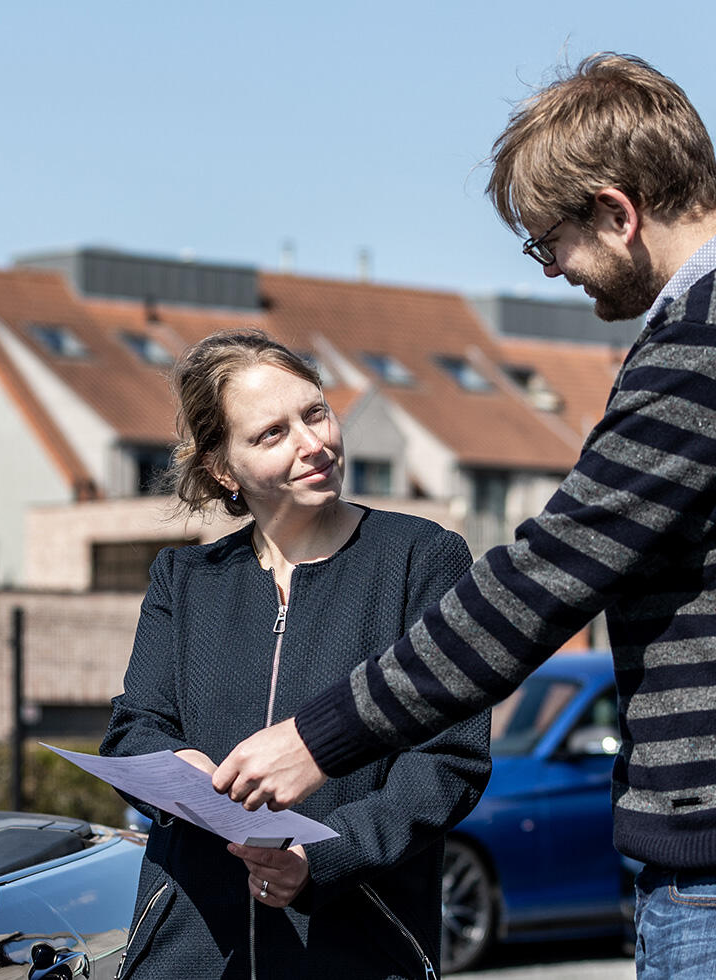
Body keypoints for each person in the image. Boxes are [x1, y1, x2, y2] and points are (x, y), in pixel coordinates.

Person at [213, 53, 716, 979]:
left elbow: (537, 586)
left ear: (617, 212)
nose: (552, 269)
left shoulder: (713, 341)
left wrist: (317, 738)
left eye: (546, 240)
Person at [100, 328, 490, 979]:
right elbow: (132, 728)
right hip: (191, 952)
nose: (314, 444)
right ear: (224, 468)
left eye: (315, 413)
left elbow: (447, 760)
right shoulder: (184, 579)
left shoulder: (422, 559)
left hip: (359, 944)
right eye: (271, 434)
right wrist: (178, 768)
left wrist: (325, 860)